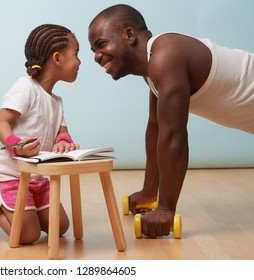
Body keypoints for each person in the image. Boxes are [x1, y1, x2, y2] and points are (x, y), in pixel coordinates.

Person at [88, 4, 254, 238]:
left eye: (101, 44)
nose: (96, 56)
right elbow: (156, 128)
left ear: (129, 35)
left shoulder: (166, 56)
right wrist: (149, 192)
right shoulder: (153, 69)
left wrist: (165, 208)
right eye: (93, 49)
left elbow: (175, 136)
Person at [0, 23, 81, 244]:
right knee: (28, 235)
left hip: (35, 177)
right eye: (76, 54)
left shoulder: (56, 101)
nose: (79, 61)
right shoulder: (25, 87)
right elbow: (1, 122)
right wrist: (15, 144)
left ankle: (15, 208)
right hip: (9, 176)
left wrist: (64, 141)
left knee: (61, 227)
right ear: (57, 59)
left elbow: (62, 130)